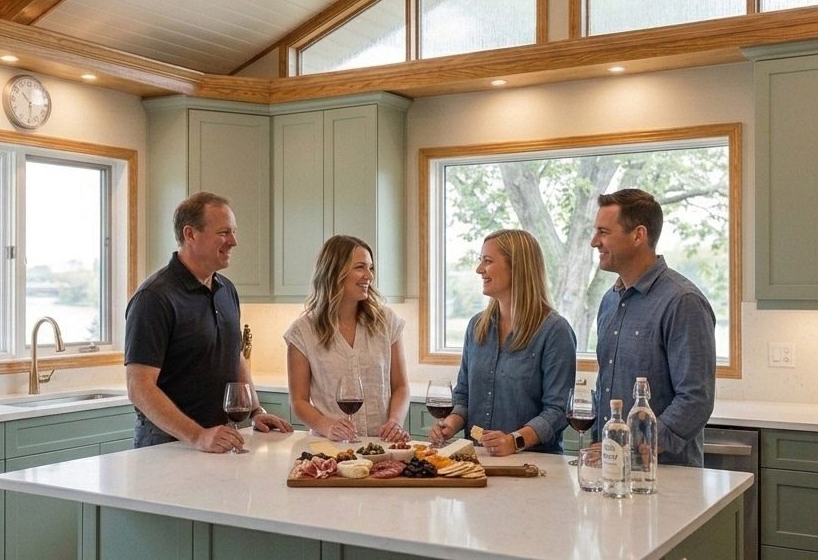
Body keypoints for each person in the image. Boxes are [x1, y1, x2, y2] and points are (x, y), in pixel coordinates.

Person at [125, 191, 292, 450]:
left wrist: (255, 411)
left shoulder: (227, 289)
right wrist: (197, 435)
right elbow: (139, 387)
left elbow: (235, 356)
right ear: (190, 234)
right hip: (167, 444)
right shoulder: (154, 297)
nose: (233, 241)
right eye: (224, 233)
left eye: (233, 232)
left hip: (219, 438)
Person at [590, 188, 716, 467]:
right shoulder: (609, 301)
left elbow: (696, 399)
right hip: (612, 466)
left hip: (666, 472)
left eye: (604, 232)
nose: (594, 242)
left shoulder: (683, 301)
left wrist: (635, 445)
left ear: (638, 235)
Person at [428, 229, 576, 456]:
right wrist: (451, 423)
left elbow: (558, 410)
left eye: (488, 261)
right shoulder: (477, 326)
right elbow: (463, 395)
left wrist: (513, 441)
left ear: (517, 267)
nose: (479, 269)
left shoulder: (555, 331)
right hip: (478, 459)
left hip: (532, 463)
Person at [284, 235, 410, 443]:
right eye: (360, 267)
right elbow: (298, 401)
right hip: (329, 447)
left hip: (381, 446)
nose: (369, 276)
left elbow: (401, 387)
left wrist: (394, 422)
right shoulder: (302, 331)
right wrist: (328, 427)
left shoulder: (387, 322)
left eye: (371, 268)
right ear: (334, 272)